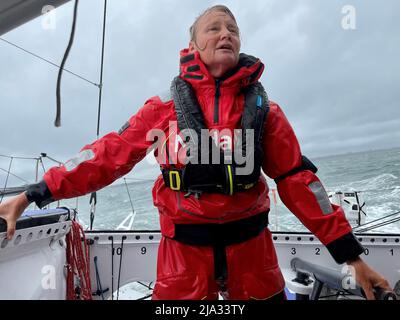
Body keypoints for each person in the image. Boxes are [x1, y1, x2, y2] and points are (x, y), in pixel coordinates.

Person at [0, 5, 392, 300]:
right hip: (182, 258)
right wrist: (32, 194)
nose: (226, 34)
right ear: (192, 45)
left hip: (255, 254)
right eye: (214, 28)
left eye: (233, 29)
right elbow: (105, 156)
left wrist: (353, 258)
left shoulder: (265, 111)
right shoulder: (162, 109)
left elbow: (300, 183)